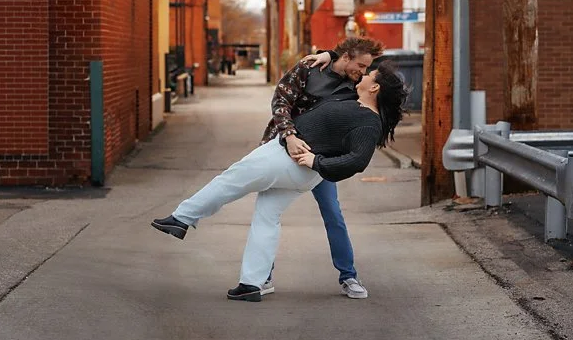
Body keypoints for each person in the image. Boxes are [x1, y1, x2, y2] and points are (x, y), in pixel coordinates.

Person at [151, 61, 408, 302]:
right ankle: (252, 284)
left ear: (374, 87)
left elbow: (357, 161)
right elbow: (348, 58)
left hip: (286, 158)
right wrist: (328, 55)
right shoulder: (354, 100)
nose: (362, 75)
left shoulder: (368, 122)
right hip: (297, 170)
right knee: (266, 216)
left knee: (231, 179)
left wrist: (317, 163)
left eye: (368, 76)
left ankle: (182, 218)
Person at [259, 37, 384, 299]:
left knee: (332, 213)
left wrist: (329, 53)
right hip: (284, 149)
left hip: (320, 158)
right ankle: (262, 275)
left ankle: (348, 276)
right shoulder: (310, 68)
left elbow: (380, 78)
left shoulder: (355, 84)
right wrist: (290, 136)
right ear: (346, 56)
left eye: (365, 68)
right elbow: (281, 102)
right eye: (359, 65)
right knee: (268, 214)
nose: (361, 72)